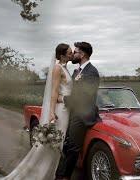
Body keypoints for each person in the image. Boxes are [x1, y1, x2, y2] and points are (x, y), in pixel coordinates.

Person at [1, 43, 73, 180]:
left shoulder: (65, 68)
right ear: (63, 55)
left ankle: (50, 172)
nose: (72, 54)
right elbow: (54, 92)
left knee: (58, 143)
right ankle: (40, 174)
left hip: (66, 109)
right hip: (61, 111)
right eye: (69, 53)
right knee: (53, 143)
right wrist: (52, 112)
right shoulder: (58, 69)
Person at [55, 42, 101, 180]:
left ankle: (65, 177)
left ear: (83, 54)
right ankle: (60, 173)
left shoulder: (91, 72)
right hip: (74, 112)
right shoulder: (78, 71)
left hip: (83, 114)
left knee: (72, 147)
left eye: (75, 52)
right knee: (66, 145)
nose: (73, 55)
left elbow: (83, 98)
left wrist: (61, 99)